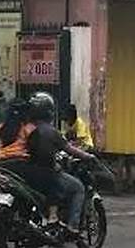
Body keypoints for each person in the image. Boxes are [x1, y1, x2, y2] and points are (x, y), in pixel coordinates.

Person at [27, 92, 95, 236]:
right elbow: (69, 148)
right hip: (47, 172)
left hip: (27, 172)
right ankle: (72, 227)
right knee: (78, 188)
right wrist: (88, 156)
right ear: (49, 112)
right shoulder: (50, 131)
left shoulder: (26, 128)